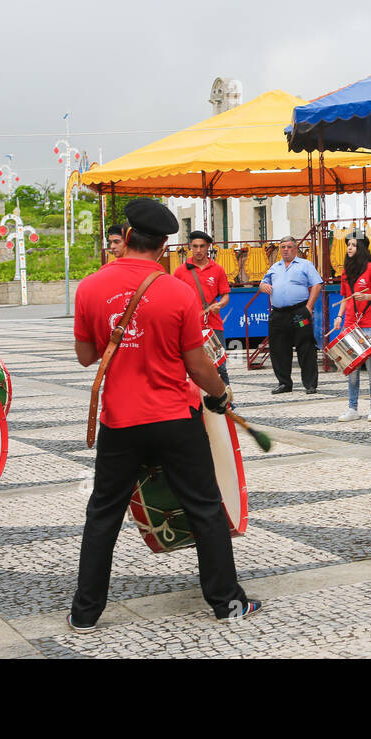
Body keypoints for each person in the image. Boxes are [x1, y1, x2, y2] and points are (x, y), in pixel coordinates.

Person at [70, 199, 260, 630]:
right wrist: (221, 391)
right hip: (175, 417)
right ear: (164, 245)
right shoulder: (177, 291)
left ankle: (84, 613)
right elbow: (197, 365)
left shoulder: (90, 287)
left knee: (103, 513)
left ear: (128, 236)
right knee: (205, 508)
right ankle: (227, 602)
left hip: (119, 420)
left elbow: (85, 356)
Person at [259, 235, 323, 395]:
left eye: (289, 247)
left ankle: (310, 384)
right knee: (278, 348)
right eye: (283, 247)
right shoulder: (275, 267)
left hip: (299, 313)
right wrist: (263, 286)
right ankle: (284, 383)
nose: (286, 250)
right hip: (279, 314)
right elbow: (263, 282)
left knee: (305, 346)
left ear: (295, 248)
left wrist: (309, 307)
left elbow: (316, 284)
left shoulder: (305, 265)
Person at [333, 232, 371, 422]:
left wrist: (366, 297)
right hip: (349, 323)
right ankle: (352, 408)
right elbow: (344, 298)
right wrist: (339, 316)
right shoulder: (346, 272)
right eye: (348, 244)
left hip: (369, 324)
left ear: (361, 248)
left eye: (353, 245)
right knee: (352, 367)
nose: (349, 248)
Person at [174, 230, 232, 385]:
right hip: (188, 326)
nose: (198, 250)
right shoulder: (180, 271)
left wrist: (220, 304)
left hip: (213, 326)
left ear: (208, 247)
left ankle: (226, 404)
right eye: (195, 246)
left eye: (202, 246)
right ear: (190, 247)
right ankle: (195, 405)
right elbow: (173, 298)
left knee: (219, 366)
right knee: (189, 368)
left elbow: (226, 295)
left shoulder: (217, 269)